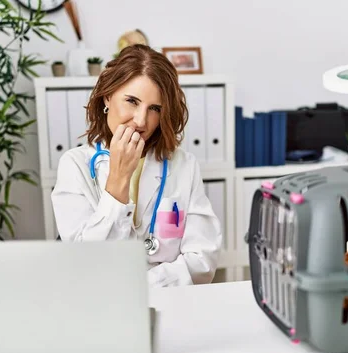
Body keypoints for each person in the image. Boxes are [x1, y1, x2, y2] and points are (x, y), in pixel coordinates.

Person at [51, 44, 222, 287]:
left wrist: (141, 284)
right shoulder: (74, 165)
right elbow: (86, 265)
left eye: (154, 109)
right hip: (101, 307)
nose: (141, 121)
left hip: (169, 303)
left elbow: (203, 260)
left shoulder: (183, 165)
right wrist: (119, 178)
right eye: (132, 101)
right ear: (107, 97)